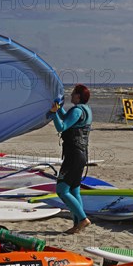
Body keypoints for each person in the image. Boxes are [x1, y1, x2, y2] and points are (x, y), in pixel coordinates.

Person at [49, 84, 93, 234]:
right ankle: (77, 225)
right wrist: (59, 108)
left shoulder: (77, 111)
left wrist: (54, 113)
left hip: (74, 155)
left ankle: (82, 219)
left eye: (74, 93)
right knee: (74, 190)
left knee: (61, 189)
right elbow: (67, 118)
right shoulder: (85, 110)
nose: (71, 95)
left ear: (78, 96)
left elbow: (62, 126)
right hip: (80, 155)